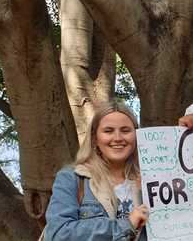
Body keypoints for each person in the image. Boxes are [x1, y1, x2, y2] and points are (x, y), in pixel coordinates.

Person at [44, 100, 149, 241]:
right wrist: (126, 224)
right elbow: (58, 234)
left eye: (125, 130)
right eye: (108, 131)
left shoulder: (152, 180)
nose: (118, 138)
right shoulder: (72, 178)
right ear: (94, 139)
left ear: (136, 136)